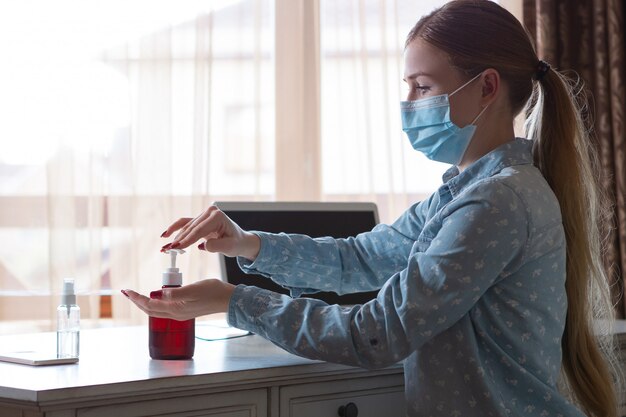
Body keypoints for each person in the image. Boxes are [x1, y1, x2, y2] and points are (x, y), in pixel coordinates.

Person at [122, 1, 619, 416]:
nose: (408, 103)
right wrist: (249, 244)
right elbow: (359, 259)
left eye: (422, 86)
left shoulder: (497, 201)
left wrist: (235, 301)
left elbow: (378, 335)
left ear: (487, 87)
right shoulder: (465, 192)